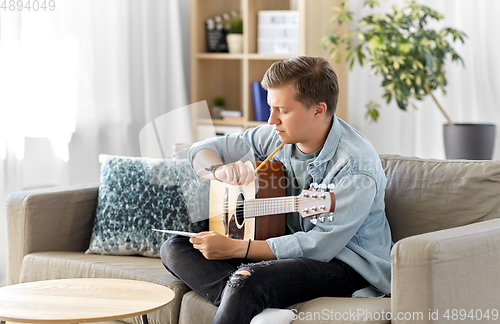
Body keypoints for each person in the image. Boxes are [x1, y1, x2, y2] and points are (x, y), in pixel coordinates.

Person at [160, 55, 392, 324]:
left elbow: (318, 246)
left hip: (345, 264)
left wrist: (237, 248)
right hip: (279, 248)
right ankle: (259, 306)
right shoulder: (277, 136)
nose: (271, 120)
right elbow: (201, 150)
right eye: (271, 108)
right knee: (176, 247)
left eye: (283, 110)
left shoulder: (355, 166)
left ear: (318, 110)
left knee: (246, 281)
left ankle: (248, 296)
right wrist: (219, 171)